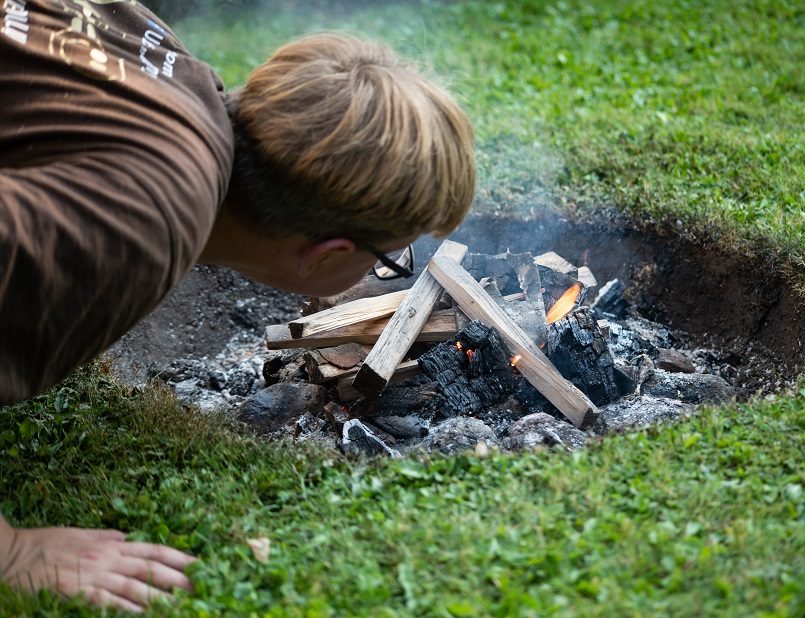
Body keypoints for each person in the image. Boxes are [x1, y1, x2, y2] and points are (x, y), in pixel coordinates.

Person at [0, 0, 475, 612]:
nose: (386, 272)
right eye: (388, 258)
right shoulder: (147, 220)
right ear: (324, 253)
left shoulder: (169, 67)